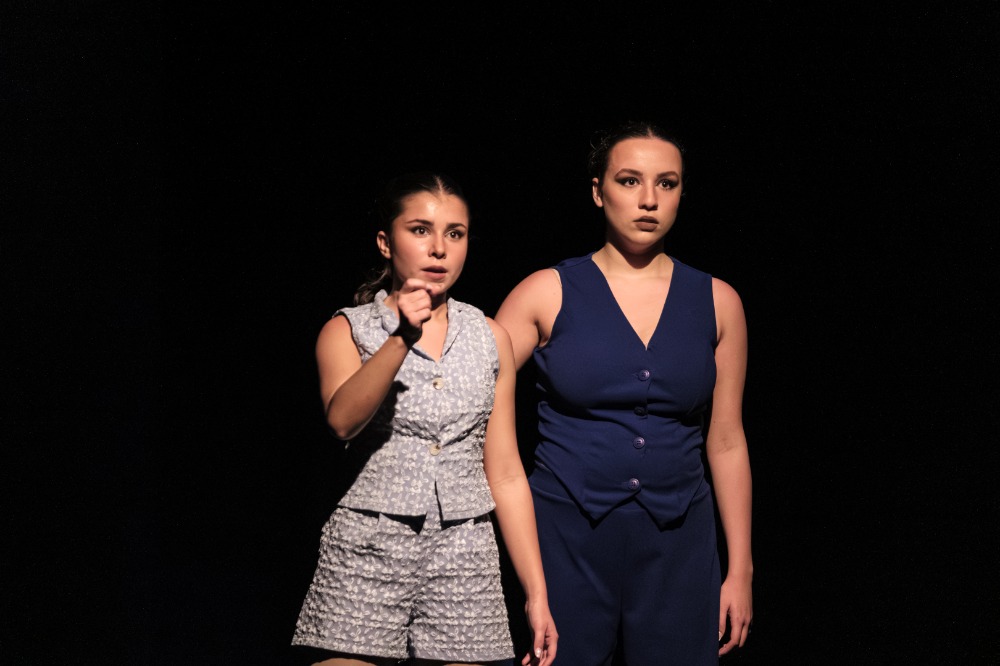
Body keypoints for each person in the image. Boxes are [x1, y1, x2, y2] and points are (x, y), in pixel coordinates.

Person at [494, 121, 753, 665]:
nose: (648, 199)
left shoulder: (718, 301)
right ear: (598, 191)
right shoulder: (545, 291)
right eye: (630, 180)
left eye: (667, 183)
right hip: (564, 536)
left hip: (679, 541)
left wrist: (741, 569)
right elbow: (470, 396)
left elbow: (727, 440)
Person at [291, 172, 558, 666]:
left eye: (455, 234)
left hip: (464, 554)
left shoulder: (489, 336)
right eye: (420, 230)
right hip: (367, 549)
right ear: (385, 242)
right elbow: (342, 421)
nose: (439, 249)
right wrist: (400, 338)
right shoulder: (348, 329)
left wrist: (536, 594)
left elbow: (504, 471)